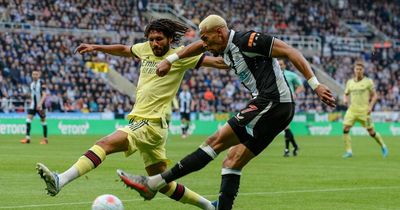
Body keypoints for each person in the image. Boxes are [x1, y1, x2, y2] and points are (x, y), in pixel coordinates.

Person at [117, 14, 336, 210]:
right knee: (232, 162)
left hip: (272, 102)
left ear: (220, 33)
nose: (205, 44)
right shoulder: (220, 45)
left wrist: (315, 84)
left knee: (216, 141)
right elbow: (194, 47)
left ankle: (153, 183)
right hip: (274, 108)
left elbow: (290, 51)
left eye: (207, 39)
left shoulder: (247, 40)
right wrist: (170, 60)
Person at [36, 19, 228, 210]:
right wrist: (96, 47)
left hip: (149, 122)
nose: (154, 43)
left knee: (104, 144)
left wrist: (234, 51)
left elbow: (219, 62)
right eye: (151, 39)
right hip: (152, 125)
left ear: (170, 39)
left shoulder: (180, 55)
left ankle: (60, 180)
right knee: (161, 183)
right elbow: (124, 50)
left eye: (159, 39)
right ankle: (211, 207)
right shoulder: (145, 49)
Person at [342, 60, 388, 158]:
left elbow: (375, 96)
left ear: (363, 70)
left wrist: (370, 107)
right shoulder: (349, 82)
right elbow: (345, 94)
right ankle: (349, 151)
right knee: (345, 129)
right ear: (354, 70)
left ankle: (383, 146)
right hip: (352, 111)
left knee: (371, 132)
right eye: (357, 69)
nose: (358, 71)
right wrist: (345, 100)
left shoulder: (368, 82)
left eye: (360, 69)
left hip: (364, 112)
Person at [279, 59, 304, 157]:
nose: (279, 66)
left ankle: (286, 150)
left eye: (281, 64)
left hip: (289, 102)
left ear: (285, 65)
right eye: (278, 64)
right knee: (285, 127)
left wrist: (295, 93)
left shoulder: (291, 75)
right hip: (278, 103)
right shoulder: (273, 74)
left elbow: (301, 87)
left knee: (285, 126)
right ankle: (295, 146)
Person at [20, 70, 48, 144]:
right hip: (33, 105)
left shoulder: (42, 83)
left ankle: (45, 139)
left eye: (36, 74)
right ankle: (27, 138)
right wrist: (29, 99)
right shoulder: (32, 84)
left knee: (43, 121)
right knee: (28, 120)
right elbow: (33, 94)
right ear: (32, 75)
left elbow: (44, 95)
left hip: (41, 106)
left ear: (39, 75)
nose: (35, 76)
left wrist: (40, 103)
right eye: (33, 74)